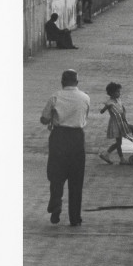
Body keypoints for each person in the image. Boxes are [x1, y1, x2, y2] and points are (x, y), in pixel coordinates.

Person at [40, 68, 90, 226]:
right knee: (76, 179)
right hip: (77, 137)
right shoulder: (85, 97)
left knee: (56, 175)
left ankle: (56, 203)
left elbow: (44, 118)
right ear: (77, 82)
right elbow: (84, 116)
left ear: (62, 82)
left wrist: (52, 119)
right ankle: (75, 218)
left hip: (59, 137)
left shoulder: (55, 96)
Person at [99, 82, 133, 164]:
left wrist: (124, 116)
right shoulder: (109, 102)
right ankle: (107, 154)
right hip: (115, 123)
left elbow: (123, 109)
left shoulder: (119, 100)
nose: (119, 93)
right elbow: (102, 110)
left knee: (119, 142)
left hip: (121, 121)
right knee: (119, 142)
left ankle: (120, 158)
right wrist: (105, 108)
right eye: (117, 92)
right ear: (112, 93)